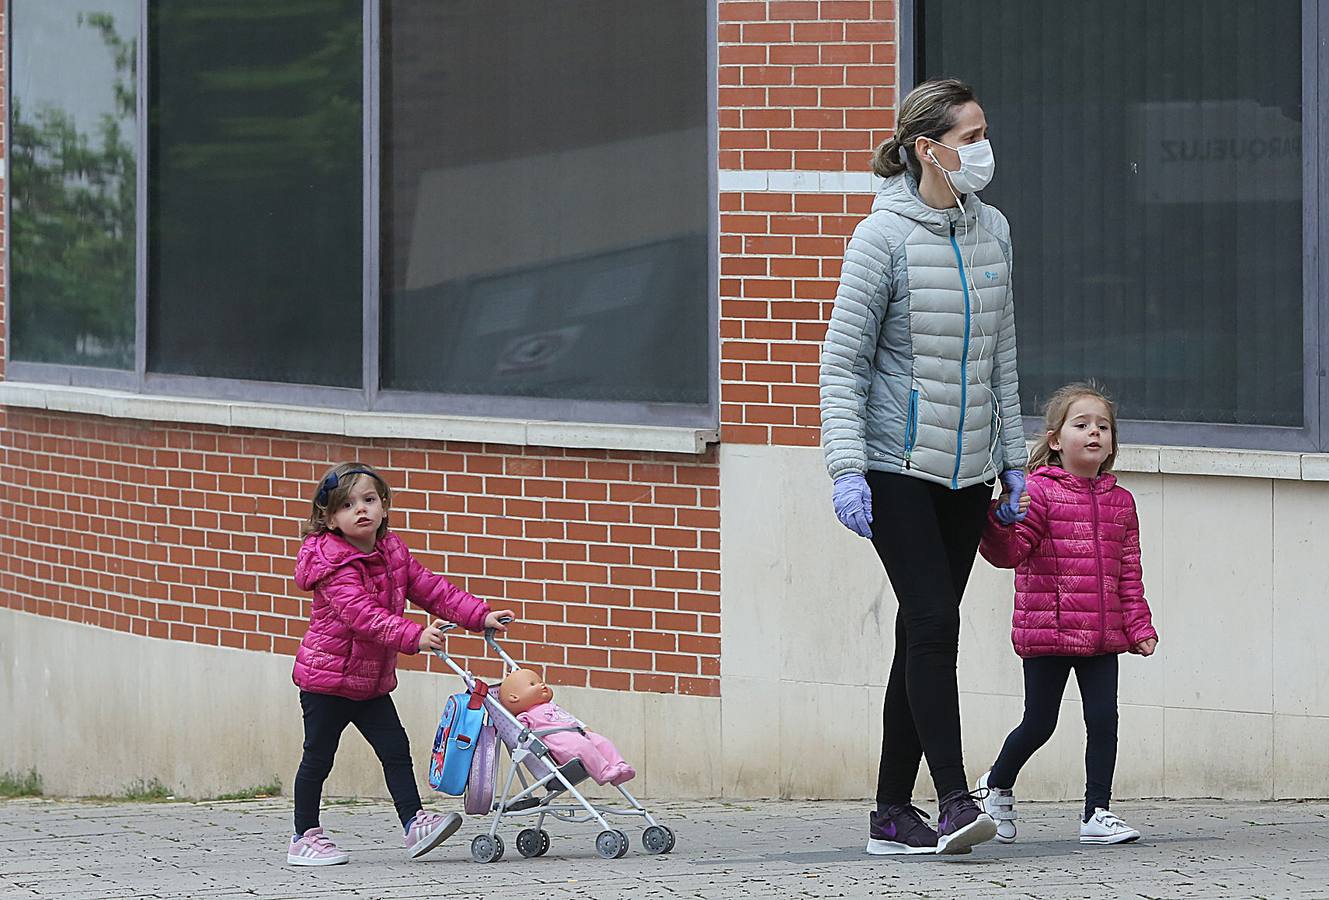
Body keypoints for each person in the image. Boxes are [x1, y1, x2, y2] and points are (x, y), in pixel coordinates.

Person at [819, 78, 1027, 855]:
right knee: (937, 622)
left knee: (919, 633)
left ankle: (887, 816)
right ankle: (950, 800)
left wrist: (1012, 464)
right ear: (924, 149)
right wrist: (846, 469)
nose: (981, 149)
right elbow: (840, 364)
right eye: (967, 137)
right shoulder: (880, 238)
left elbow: (1002, 353)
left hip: (968, 468)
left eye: (982, 132)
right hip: (894, 464)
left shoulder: (993, 230)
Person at [285, 462, 516, 866]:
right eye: (348, 505)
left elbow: (433, 590)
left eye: (369, 500)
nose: (361, 510)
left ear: (384, 505)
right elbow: (364, 615)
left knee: (395, 748)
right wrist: (415, 636)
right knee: (318, 756)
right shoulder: (332, 565)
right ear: (329, 518)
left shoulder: (392, 552)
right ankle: (304, 836)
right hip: (326, 680)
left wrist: (479, 616)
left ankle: (414, 823)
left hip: (369, 682)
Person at [975, 383, 1159, 846]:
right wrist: (998, 520)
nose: (1094, 433)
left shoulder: (1122, 503)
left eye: (1103, 426)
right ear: (1056, 439)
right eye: (1082, 425)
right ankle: (994, 784)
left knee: (1104, 721)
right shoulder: (1037, 493)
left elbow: (1128, 572)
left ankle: (1097, 813)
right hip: (1047, 632)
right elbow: (1010, 553)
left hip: (1101, 636)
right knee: (1040, 722)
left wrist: (1138, 626)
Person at [498, 668, 636, 786]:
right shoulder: (525, 717)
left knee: (603, 742)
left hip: (578, 734)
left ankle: (620, 767)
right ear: (514, 697)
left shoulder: (552, 706)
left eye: (541, 681)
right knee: (583, 747)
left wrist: (583, 727)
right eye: (533, 684)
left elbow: (568, 718)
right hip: (562, 745)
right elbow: (521, 736)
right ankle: (604, 772)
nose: (542, 684)